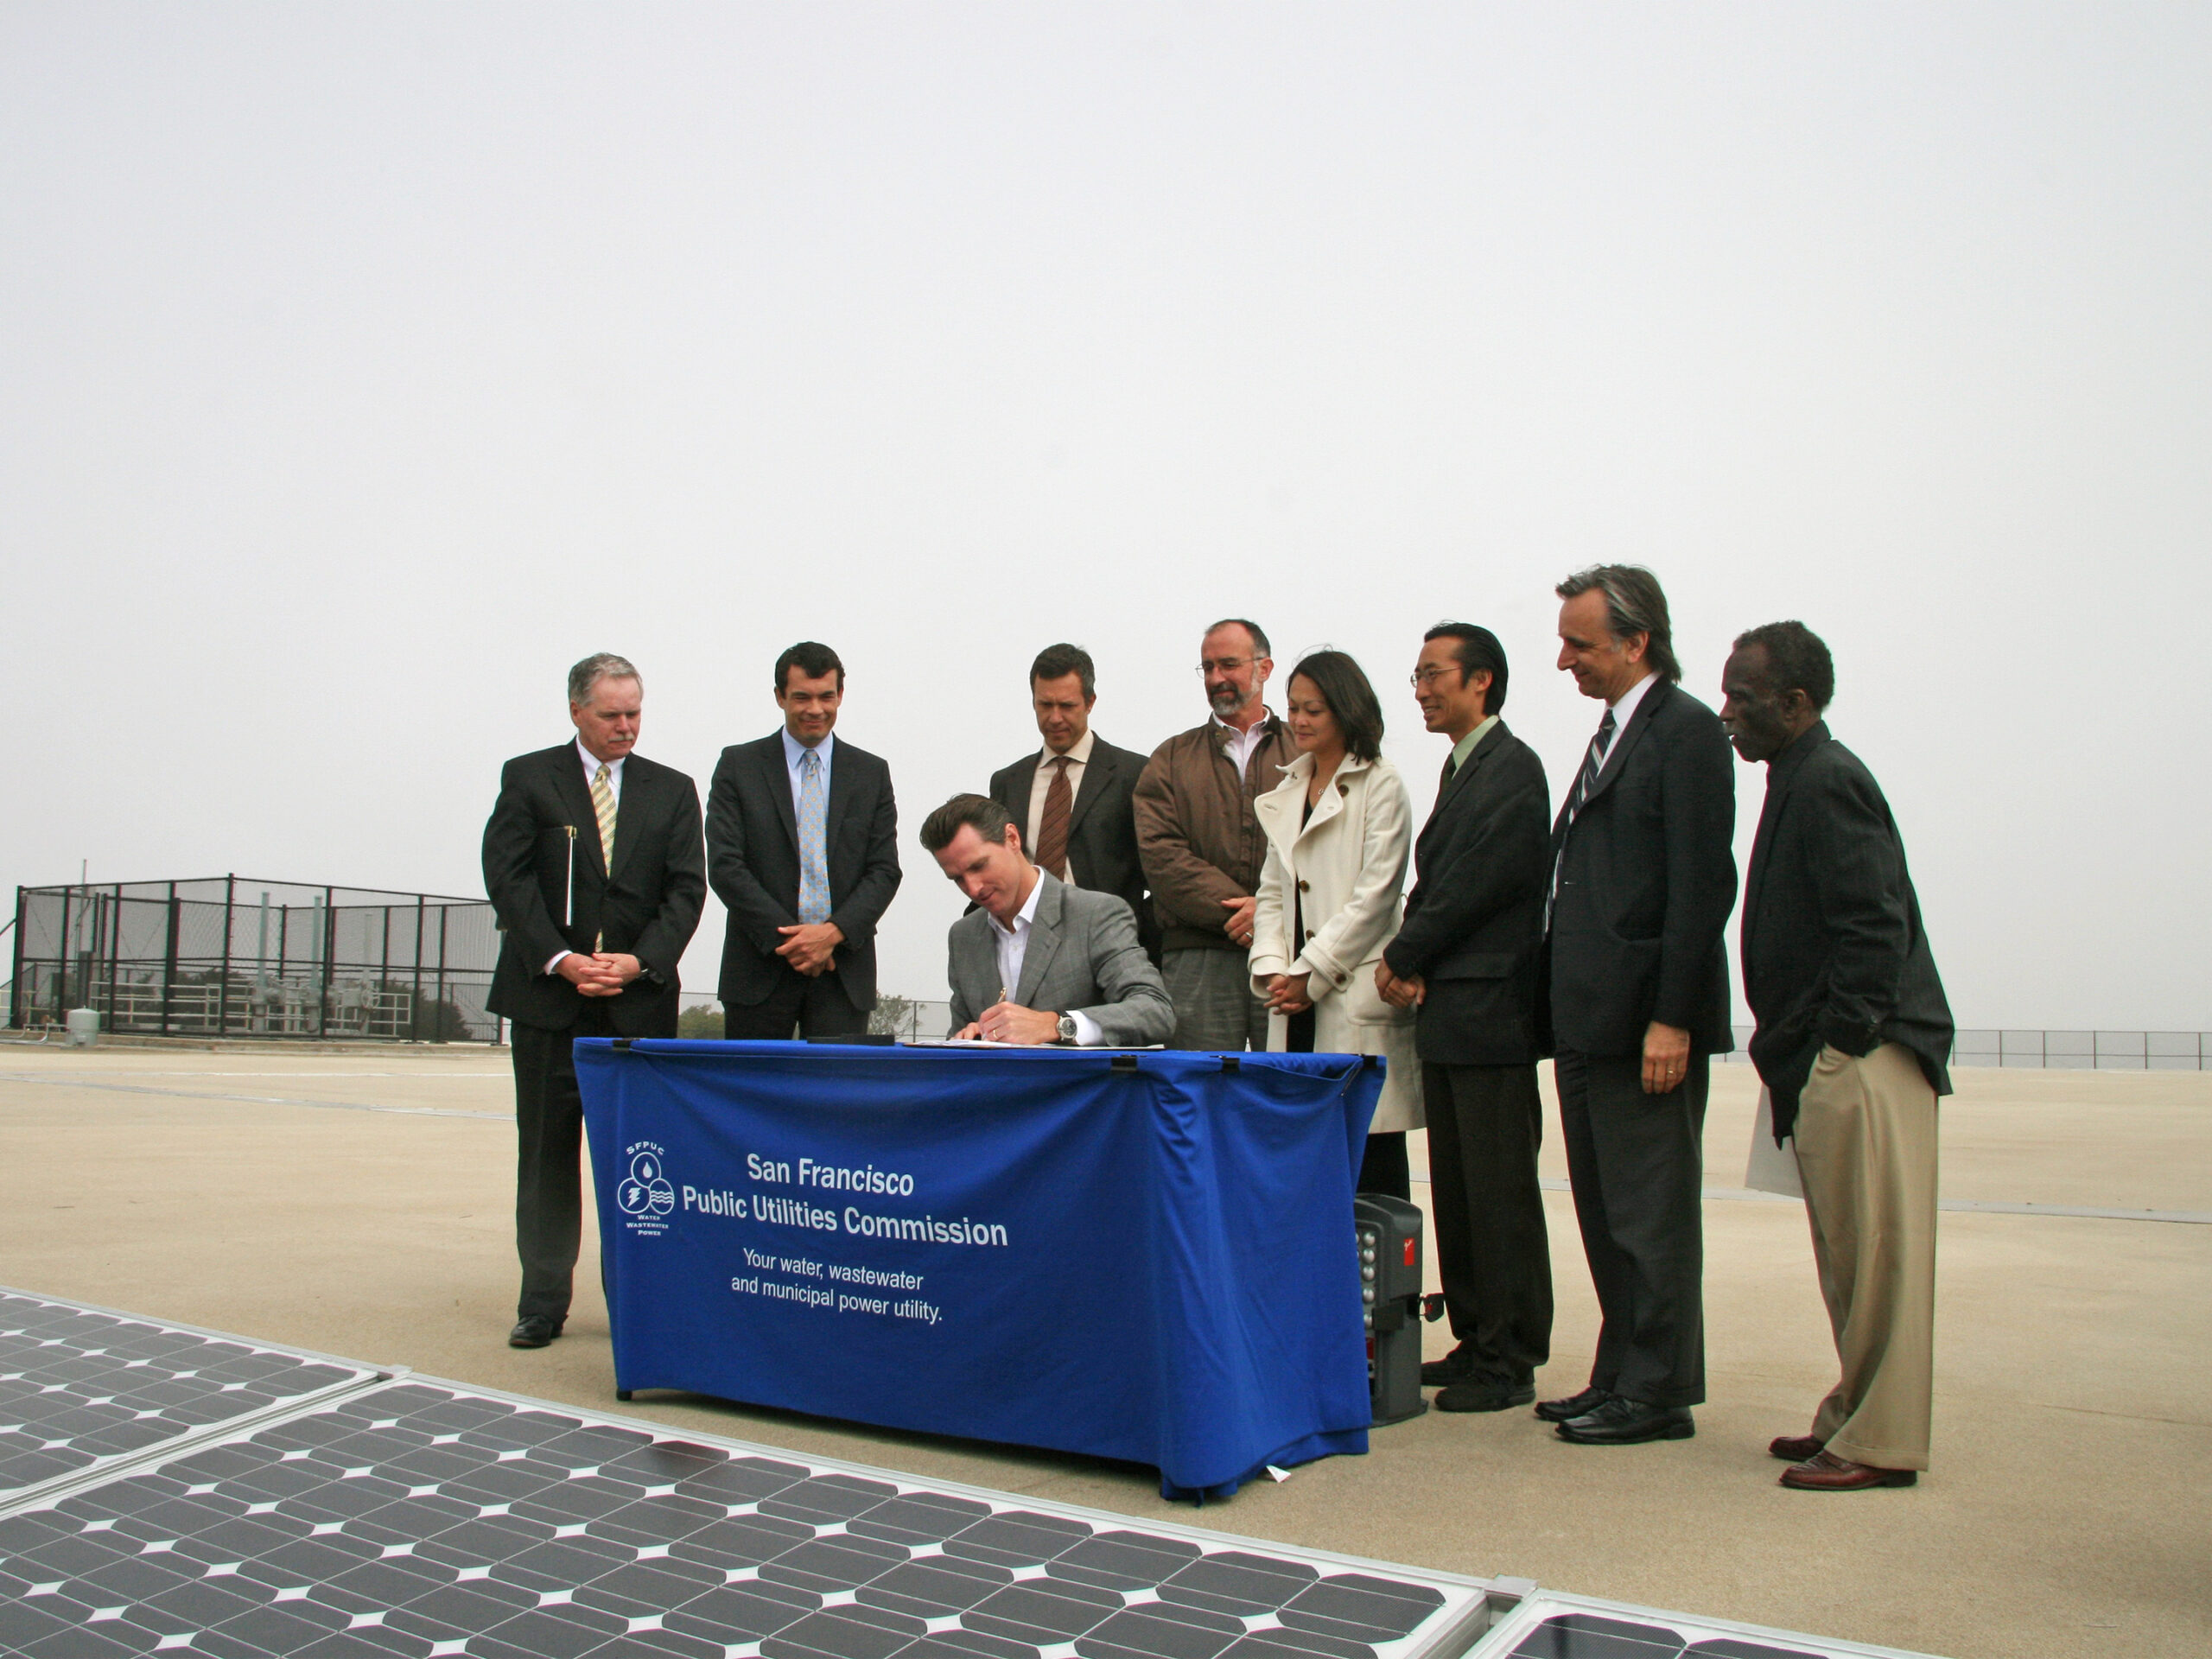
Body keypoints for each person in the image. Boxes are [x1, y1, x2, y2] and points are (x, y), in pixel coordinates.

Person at [1720, 621, 1953, 1491]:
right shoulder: (1797, 776)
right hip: (1829, 1054)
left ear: (1796, 704)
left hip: (1867, 1056)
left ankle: (1880, 1443)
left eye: (1743, 697)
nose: (1728, 713)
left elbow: (1873, 925)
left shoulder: (1828, 783)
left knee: (1879, 1257)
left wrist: (1839, 1043)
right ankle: (1851, 1416)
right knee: (1850, 1253)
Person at [1539, 566, 1737, 1446]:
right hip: (1587, 1018)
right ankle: (1620, 1372)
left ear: (1636, 642)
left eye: (1580, 644)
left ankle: (1659, 1391)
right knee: (1606, 1211)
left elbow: (1700, 887)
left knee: (1651, 1215)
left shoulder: (1686, 734)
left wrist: (1675, 1016)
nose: (1564, 660)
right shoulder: (1611, 735)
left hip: (1644, 1024)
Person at [481, 653, 705, 1349]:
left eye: (635, 712)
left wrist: (640, 961)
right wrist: (561, 959)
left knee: (635, 1163)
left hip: (635, 1009)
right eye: (611, 714)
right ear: (577, 710)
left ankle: (634, 1300)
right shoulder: (528, 778)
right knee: (546, 1156)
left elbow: (686, 891)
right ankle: (543, 1303)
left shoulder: (673, 790)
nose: (626, 727)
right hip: (551, 1003)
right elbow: (508, 878)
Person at [1375, 624, 1554, 1414]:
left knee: (1500, 1191)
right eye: (1415, 675)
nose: (1420, 689)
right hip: (1453, 1014)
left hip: (1493, 1015)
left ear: (1482, 680)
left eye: (1433, 674)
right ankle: (1478, 1336)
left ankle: (1511, 1357)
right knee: (1458, 1189)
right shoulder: (1461, 769)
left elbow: (1473, 884)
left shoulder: (1514, 770)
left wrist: (1403, 954)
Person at [1248, 651, 1421, 1196]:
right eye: (1294, 708)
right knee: (1304, 1160)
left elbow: (1376, 897)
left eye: (1314, 710)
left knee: (1372, 1161)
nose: (1298, 720)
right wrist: (1274, 969)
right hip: (1293, 1001)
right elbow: (1271, 894)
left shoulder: (1382, 784)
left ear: (1346, 711)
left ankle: (1386, 1284)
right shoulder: (1287, 792)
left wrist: (1310, 972)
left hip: (1347, 991)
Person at [706, 642, 901, 1039]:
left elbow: (884, 870)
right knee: (752, 1099)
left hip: (842, 971)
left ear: (841, 695)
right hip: (759, 971)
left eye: (826, 696)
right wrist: (796, 942)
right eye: (802, 697)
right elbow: (726, 866)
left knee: (838, 1100)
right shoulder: (738, 767)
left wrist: (830, 934)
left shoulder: (871, 773)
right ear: (779, 696)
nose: (816, 709)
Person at [1134, 619, 1296, 1050]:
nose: (1216, 678)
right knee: (1196, 1096)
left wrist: (1270, 912)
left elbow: (1325, 850)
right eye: (1207, 667)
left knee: (1283, 1093)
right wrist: (1242, 914)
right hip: (1196, 957)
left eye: (1228, 664)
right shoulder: (1170, 758)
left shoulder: (1308, 750)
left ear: (1265, 669)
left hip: (1289, 955)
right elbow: (1160, 856)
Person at [923, 794, 1175, 1047]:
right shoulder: (963, 936)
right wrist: (970, 1037)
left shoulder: (1095, 914)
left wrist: (1057, 1025)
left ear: (1012, 838)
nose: (973, 888)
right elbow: (958, 1036)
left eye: (979, 866)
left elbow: (1155, 1011)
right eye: (957, 879)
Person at [988, 643, 1159, 963]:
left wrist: (1137, 935)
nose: (1055, 718)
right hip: (1025, 950)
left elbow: (1158, 873)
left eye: (1067, 706)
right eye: (1045, 705)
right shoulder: (1007, 782)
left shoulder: (1135, 775)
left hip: (1108, 950)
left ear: (1090, 702)